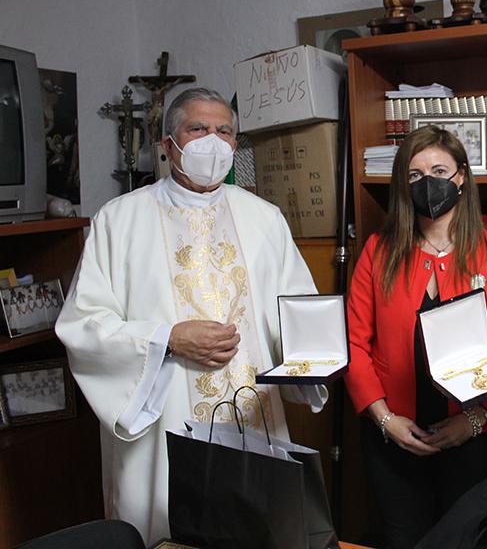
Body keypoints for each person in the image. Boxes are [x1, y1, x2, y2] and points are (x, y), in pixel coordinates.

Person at [55, 87, 327, 545]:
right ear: (168, 144)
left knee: (259, 528)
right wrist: (167, 339)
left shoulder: (265, 218)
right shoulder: (118, 221)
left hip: (252, 413)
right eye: (197, 129)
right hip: (163, 423)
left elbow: (297, 313)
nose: (212, 141)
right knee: (170, 531)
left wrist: (317, 357)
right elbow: (84, 325)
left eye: (224, 131)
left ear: (235, 146)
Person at [345, 126, 487, 549]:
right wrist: (385, 420)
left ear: (462, 177)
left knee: (469, 540)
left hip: (474, 439)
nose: (427, 183)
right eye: (413, 175)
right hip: (393, 436)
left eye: (439, 170)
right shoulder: (378, 251)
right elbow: (355, 344)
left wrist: (475, 421)